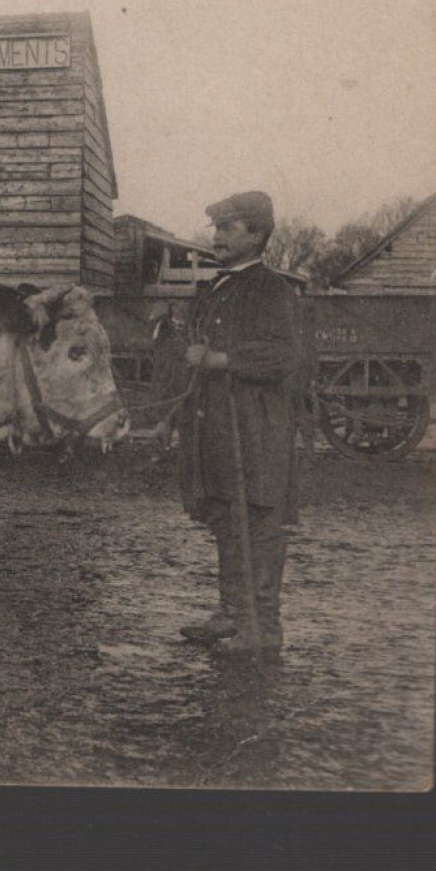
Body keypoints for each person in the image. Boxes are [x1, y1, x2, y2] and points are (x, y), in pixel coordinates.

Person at [177, 191, 305, 653]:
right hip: (218, 422)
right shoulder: (219, 287)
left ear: (257, 233)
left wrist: (219, 359)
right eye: (216, 228)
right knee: (227, 517)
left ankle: (262, 629)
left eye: (228, 228)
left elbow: (284, 355)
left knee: (258, 519)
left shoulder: (271, 289)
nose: (217, 237)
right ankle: (231, 613)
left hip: (256, 425)